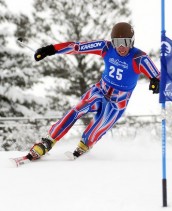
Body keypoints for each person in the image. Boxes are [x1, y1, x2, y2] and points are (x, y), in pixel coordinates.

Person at [26, 22, 160, 161]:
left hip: (118, 101)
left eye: (125, 42)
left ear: (132, 41)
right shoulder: (106, 47)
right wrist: (51, 49)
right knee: (77, 110)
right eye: (117, 42)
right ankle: (48, 141)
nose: (121, 47)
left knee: (99, 126)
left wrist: (156, 83)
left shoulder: (139, 58)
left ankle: (84, 145)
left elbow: (157, 75)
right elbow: (77, 47)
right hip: (100, 90)